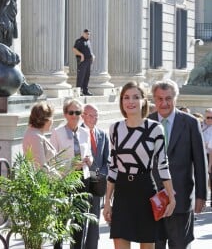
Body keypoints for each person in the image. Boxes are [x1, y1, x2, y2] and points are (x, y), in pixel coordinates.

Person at [103, 81, 176, 249]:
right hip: (122, 193)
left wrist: (171, 198)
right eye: (126, 97)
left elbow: (163, 166)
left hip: (145, 191)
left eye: (136, 97)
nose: (131, 101)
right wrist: (107, 201)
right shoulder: (114, 129)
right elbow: (113, 167)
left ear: (144, 101)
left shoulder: (155, 129)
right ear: (121, 102)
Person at [149, 79, 208, 249]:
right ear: (154, 99)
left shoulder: (190, 123)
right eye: (159, 98)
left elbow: (200, 162)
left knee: (181, 245)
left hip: (182, 200)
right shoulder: (147, 123)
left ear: (175, 98)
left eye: (168, 98)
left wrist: (201, 195)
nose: (164, 103)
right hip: (154, 201)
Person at [50, 98, 93, 249]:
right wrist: (70, 165)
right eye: (71, 112)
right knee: (61, 218)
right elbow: (52, 159)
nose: (75, 116)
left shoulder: (85, 132)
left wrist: (89, 160)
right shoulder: (57, 133)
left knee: (79, 219)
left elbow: (90, 154)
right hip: (64, 179)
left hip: (83, 178)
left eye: (78, 112)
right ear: (65, 114)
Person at [81, 104, 110, 249]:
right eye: (91, 115)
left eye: (96, 116)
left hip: (97, 184)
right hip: (80, 183)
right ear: (83, 115)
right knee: (79, 221)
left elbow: (107, 160)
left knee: (94, 220)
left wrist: (100, 176)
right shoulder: (77, 132)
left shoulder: (102, 134)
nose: (94, 119)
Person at [22, 101, 56, 167]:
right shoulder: (35, 136)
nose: (53, 121)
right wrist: (60, 176)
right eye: (52, 117)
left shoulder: (37, 133)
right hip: (43, 177)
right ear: (47, 119)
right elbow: (41, 166)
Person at [72, 29, 95, 96]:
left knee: (87, 76)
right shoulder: (79, 41)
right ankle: (79, 91)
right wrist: (81, 54)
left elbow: (89, 51)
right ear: (83, 33)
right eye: (87, 33)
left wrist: (92, 55)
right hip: (82, 61)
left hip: (88, 61)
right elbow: (74, 49)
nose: (88, 35)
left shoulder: (88, 41)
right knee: (81, 76)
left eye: (89, 34)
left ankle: (85, 90)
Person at [202, 108, 212, 207]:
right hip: (201, 154)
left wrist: (209, 164)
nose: (209, 120)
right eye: (207, 118)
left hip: (210, 155)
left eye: (211, 118)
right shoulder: (201, 126)